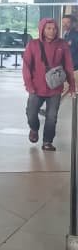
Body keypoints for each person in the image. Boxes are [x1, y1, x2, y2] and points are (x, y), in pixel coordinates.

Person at [22, 17, 76, 151]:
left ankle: (47, 142)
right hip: (36, 88)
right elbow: (26, 66)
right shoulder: (33, 45)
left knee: (52, 117)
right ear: (42, 29)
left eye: (54, 28)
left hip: (55, 88)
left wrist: (72, 86)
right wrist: (29, 85)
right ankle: (34, 129)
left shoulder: (62, 44)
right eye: (49, 28)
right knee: (31, 113)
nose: (52, 31)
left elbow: (68, 66)